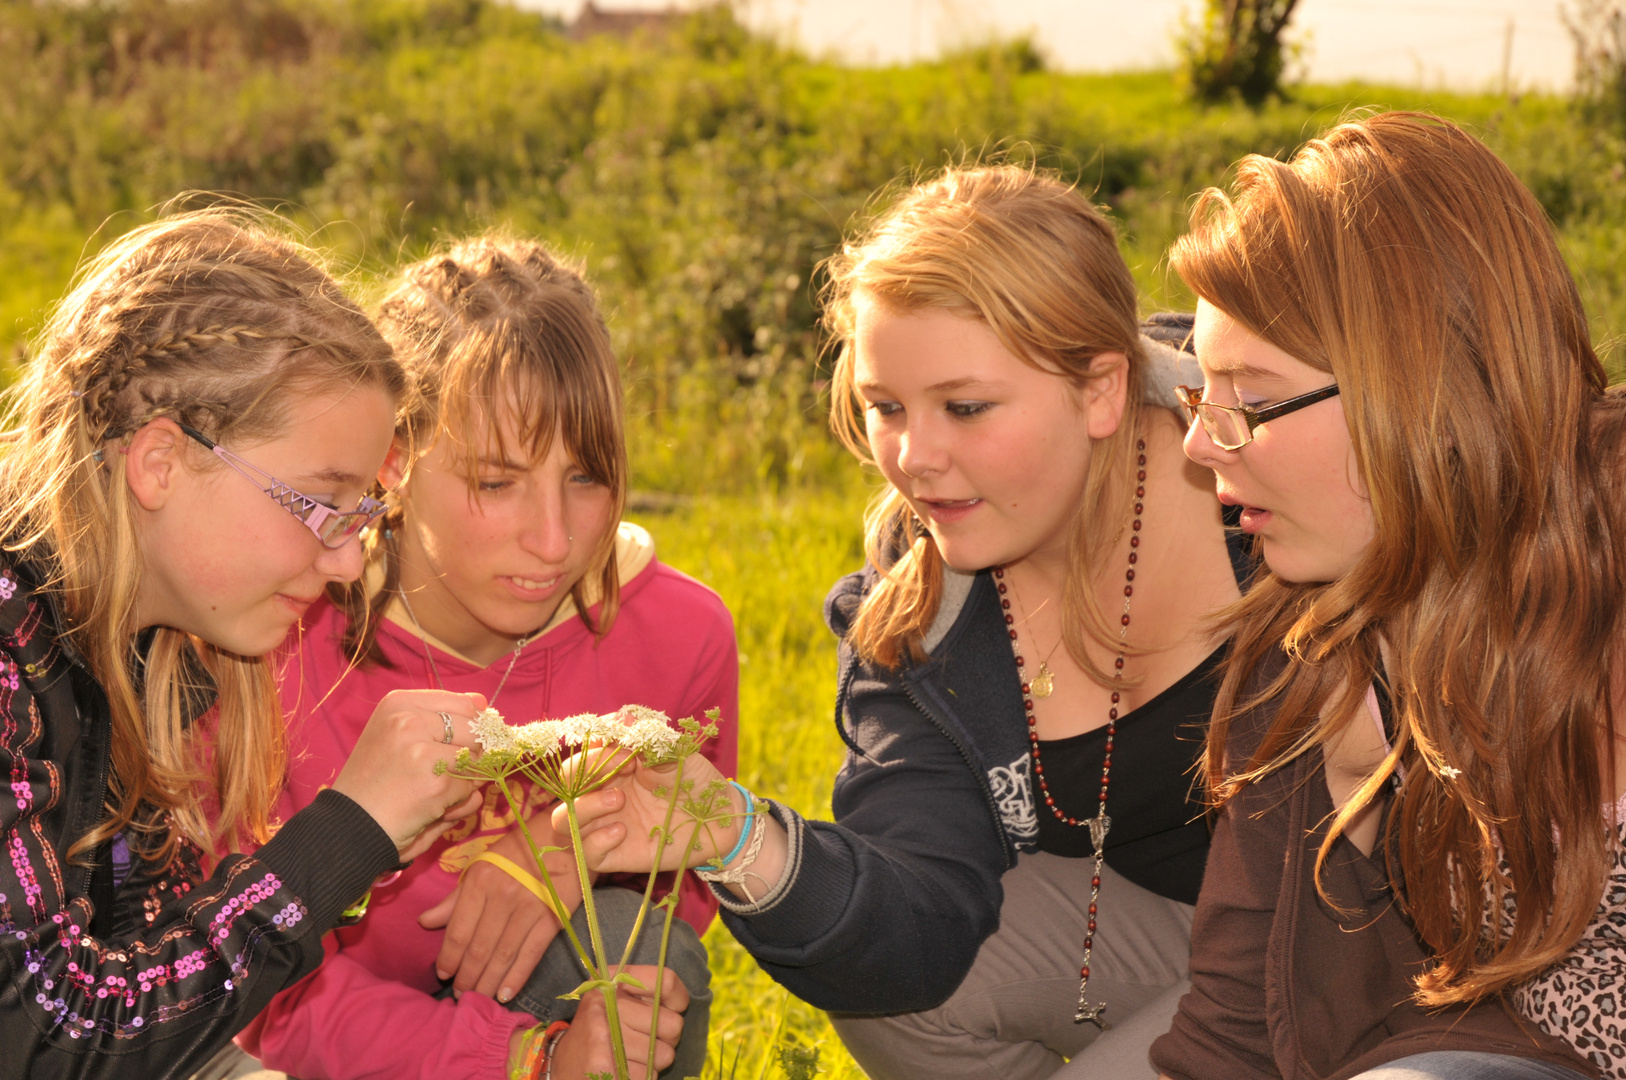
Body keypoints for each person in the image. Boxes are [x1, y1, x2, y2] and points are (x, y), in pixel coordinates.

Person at [566, 165, 1251, 1078]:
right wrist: (733, 832)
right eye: (887, 407)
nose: (914, 460)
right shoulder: (921, 592)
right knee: (903, 1005)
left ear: (1101, 389)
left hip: (1371, 935)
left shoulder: (1269, 459)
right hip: (1176, 931)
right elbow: (914, 920)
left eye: (965, 408)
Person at [1152, 112, 1621, 1080]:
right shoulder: (1317, 642)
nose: (1202, 445)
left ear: (1419, 388)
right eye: (1205, 395)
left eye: (1249, 399)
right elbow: (1234, 1025)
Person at [0, 210, 492, 1079]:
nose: (347, 562)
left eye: (364, 514)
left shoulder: (166, 640)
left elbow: (152, 971)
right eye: (317, 502)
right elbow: (42, 1039)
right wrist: (345, 834)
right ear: (160, 463)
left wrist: (361, 853)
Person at [238, 235, 736, 1080]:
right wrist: (514, 1058)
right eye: (497, 482)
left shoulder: (678, 631)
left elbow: (685, 889)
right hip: (311, 1048)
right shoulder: (279, 639)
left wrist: (571, 845)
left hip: (546, 1015)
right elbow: (255, 983)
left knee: (639, 952)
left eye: (586, 478)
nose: (553, 540)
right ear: (394, 463)